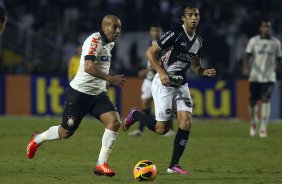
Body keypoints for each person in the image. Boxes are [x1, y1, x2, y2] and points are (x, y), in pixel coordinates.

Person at [26, 15, 125, 177]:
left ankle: (101, 164)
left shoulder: (110, 43)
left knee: (114, 122)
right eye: (115, 27)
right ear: (105, 27)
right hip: (79, 93)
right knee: (65, 132)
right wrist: (110, 78)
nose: (118, 30)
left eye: (120, 27)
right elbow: (88, 67)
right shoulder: (94, 41)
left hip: (98, 94)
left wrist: (104, 82)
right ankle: (37, 139)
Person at [123, 3, 216, 174]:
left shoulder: (198, 41)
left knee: (186, 123)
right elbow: (150, 52)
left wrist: (204, 71)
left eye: (196, 15)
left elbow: (195, 66)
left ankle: (173, 165)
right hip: (163, 83)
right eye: (190, 15)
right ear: (183, 18)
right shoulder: (174, 34)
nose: (194, 18)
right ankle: (135, 115)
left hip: (181, 84)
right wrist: (162, 73)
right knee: (161, 129)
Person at [128, 24, 175, 137]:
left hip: (160, 78)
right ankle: (141, 129)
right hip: (149, 79)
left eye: (157, 30)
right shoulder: (150, 43)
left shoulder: (164, 44)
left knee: (165, 105)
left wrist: (146, 70)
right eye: (153, 30)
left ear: (161, 31)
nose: (155, 32)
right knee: (145, 104)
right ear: (150, 32)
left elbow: (161, 62)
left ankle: (171, 129)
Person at [243, 18, 282, 138]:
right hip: (255, 75)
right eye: (264, 26)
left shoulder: (276, 43)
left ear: (271, 28)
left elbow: (279, 60)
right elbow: (247, 56)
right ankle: (254, 122)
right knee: (252, 101)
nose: (266, 29)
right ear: (260, 28)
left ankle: (263, 128)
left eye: (268, 26)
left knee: (265, 99)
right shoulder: (254, 41)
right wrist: (246, 68)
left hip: (269, 76)